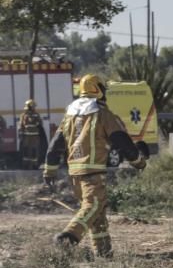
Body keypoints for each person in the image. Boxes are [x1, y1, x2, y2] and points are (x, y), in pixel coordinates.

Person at [42, 75, 146, 257]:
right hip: (93, 172)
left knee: (97, 214)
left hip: (74, 173)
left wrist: (49, 170)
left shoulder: (70, 116)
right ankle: (69, 237)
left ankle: (104, 252)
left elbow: (55, 146)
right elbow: (121, 140)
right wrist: (138, 161)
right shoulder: (103, 114)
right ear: (98, 90)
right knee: (93, 206)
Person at [18, 99, 47, 169]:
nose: (34, 108)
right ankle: (26, 165)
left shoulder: (36, 115)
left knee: (34, 150)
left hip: (34, 136)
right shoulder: (23, 115)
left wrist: (35, 122)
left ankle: (34, 165)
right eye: (33, 106)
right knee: (26, 151)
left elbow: (40, 124)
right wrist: (20, 134)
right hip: (26, 137)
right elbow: (21, 125)